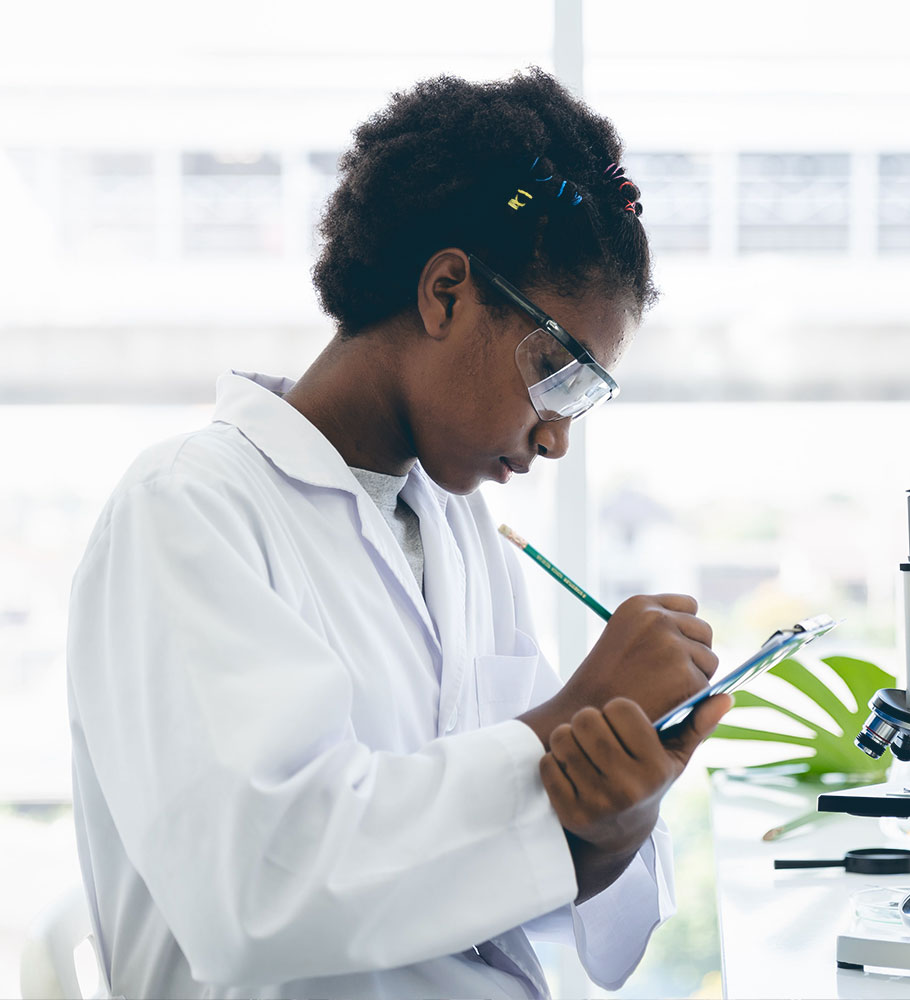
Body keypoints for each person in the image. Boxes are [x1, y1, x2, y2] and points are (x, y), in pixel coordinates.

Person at [67, 68, 731, 999]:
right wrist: (558, 731)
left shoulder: (457, 528)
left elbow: (501, 871)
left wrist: (619, 812)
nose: (556, 436)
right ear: (447, 292)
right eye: (560, 372)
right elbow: (261, 888)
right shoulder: (184, 510)